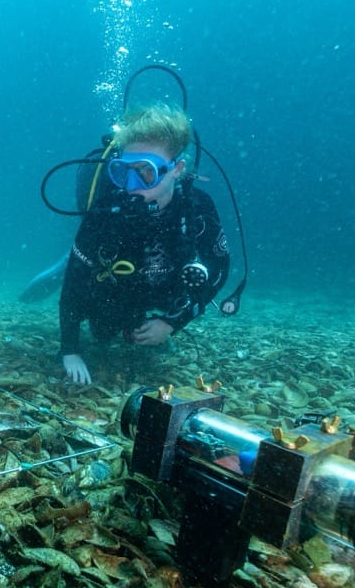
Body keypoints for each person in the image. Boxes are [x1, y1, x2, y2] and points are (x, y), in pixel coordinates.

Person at [55, 103, 229, 385]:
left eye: (146, 171)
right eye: (124, 171)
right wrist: (70, 349)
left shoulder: (199, 208)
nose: (132, 185)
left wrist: (172, 322)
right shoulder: (106, 208)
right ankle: (64, 260)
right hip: (114, 283)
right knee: (103, 332)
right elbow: (74, 283)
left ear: (177, 168)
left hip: (162, 286)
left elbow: (218, 267)